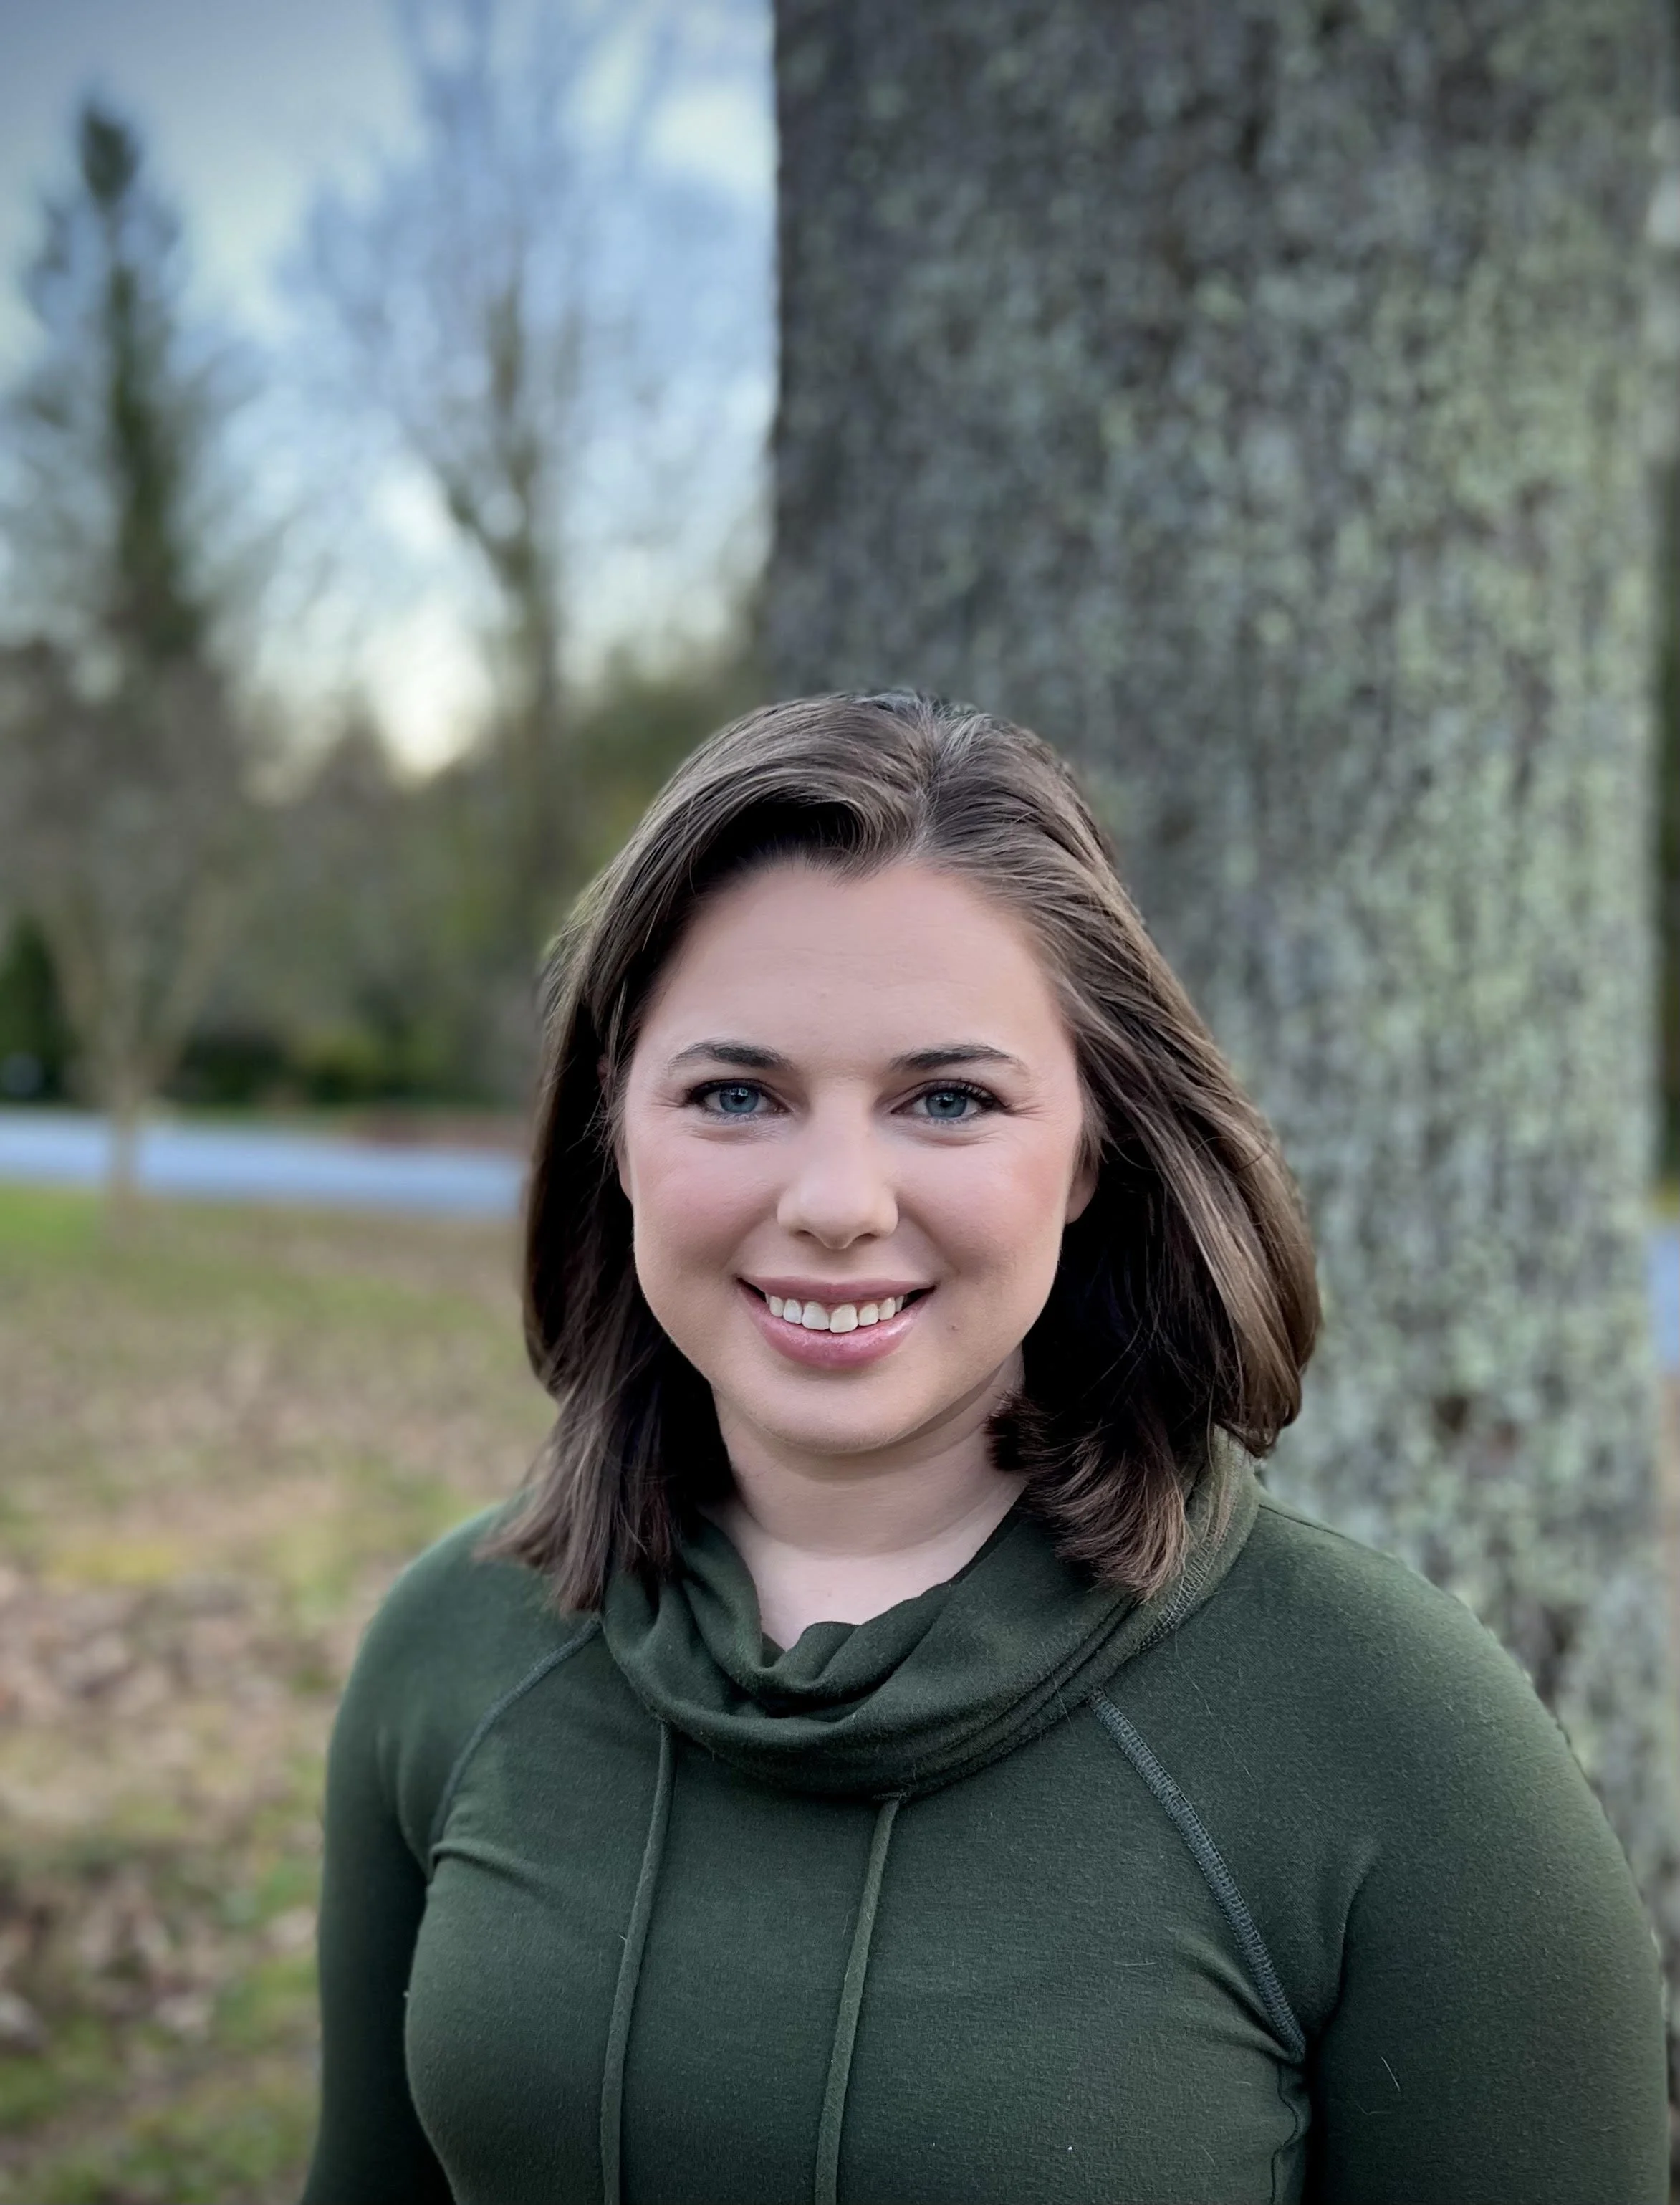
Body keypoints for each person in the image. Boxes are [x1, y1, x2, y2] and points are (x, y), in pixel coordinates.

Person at [300, 691, 1668, 2205]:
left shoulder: (1399, 1744)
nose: (835, 1198)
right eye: (734, 1093)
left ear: (1091, 1147)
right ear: (615, 1128)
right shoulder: (456, 1650)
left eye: (944, 1097)